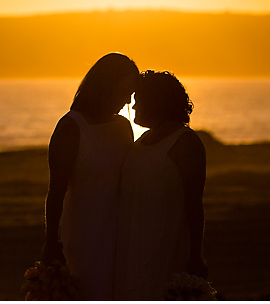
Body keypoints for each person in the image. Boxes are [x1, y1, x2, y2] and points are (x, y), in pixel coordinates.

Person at [41, 52, 138, 300]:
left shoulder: (123, 127)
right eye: (124, 90)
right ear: (107, 85)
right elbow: (56, 192)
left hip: (121, 237)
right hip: (84, 240)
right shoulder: (71, 127)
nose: (127, 99)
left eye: (132, 93)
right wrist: (51, 241)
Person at [113, 70, 208, 300]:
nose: (133, 107)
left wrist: (196, 255)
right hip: (131, 244)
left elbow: (194, 205)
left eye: (139, 101)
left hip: (166, 245)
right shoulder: (142, 141)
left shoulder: (185, 143)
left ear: (157, 102)